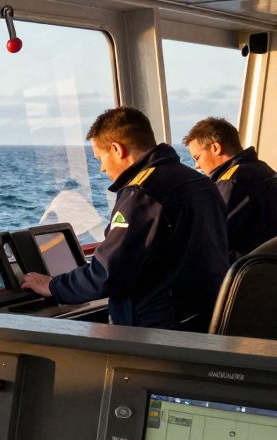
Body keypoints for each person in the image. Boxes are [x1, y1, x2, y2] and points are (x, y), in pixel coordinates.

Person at [20, 107, 228, 331]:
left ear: (116, 149)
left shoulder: (143, 195)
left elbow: (106, 273)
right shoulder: (200, 183)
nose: (102, 168)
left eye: (100, 158)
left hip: (158, 330)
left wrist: (53, 286)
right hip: (204, 316)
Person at [182, 116, 277, 259]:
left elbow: (210, 237)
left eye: (197, 158)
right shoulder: (261, 169)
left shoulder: (232, 182)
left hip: (249, 267)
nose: (197, 165)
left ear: (215, 148)